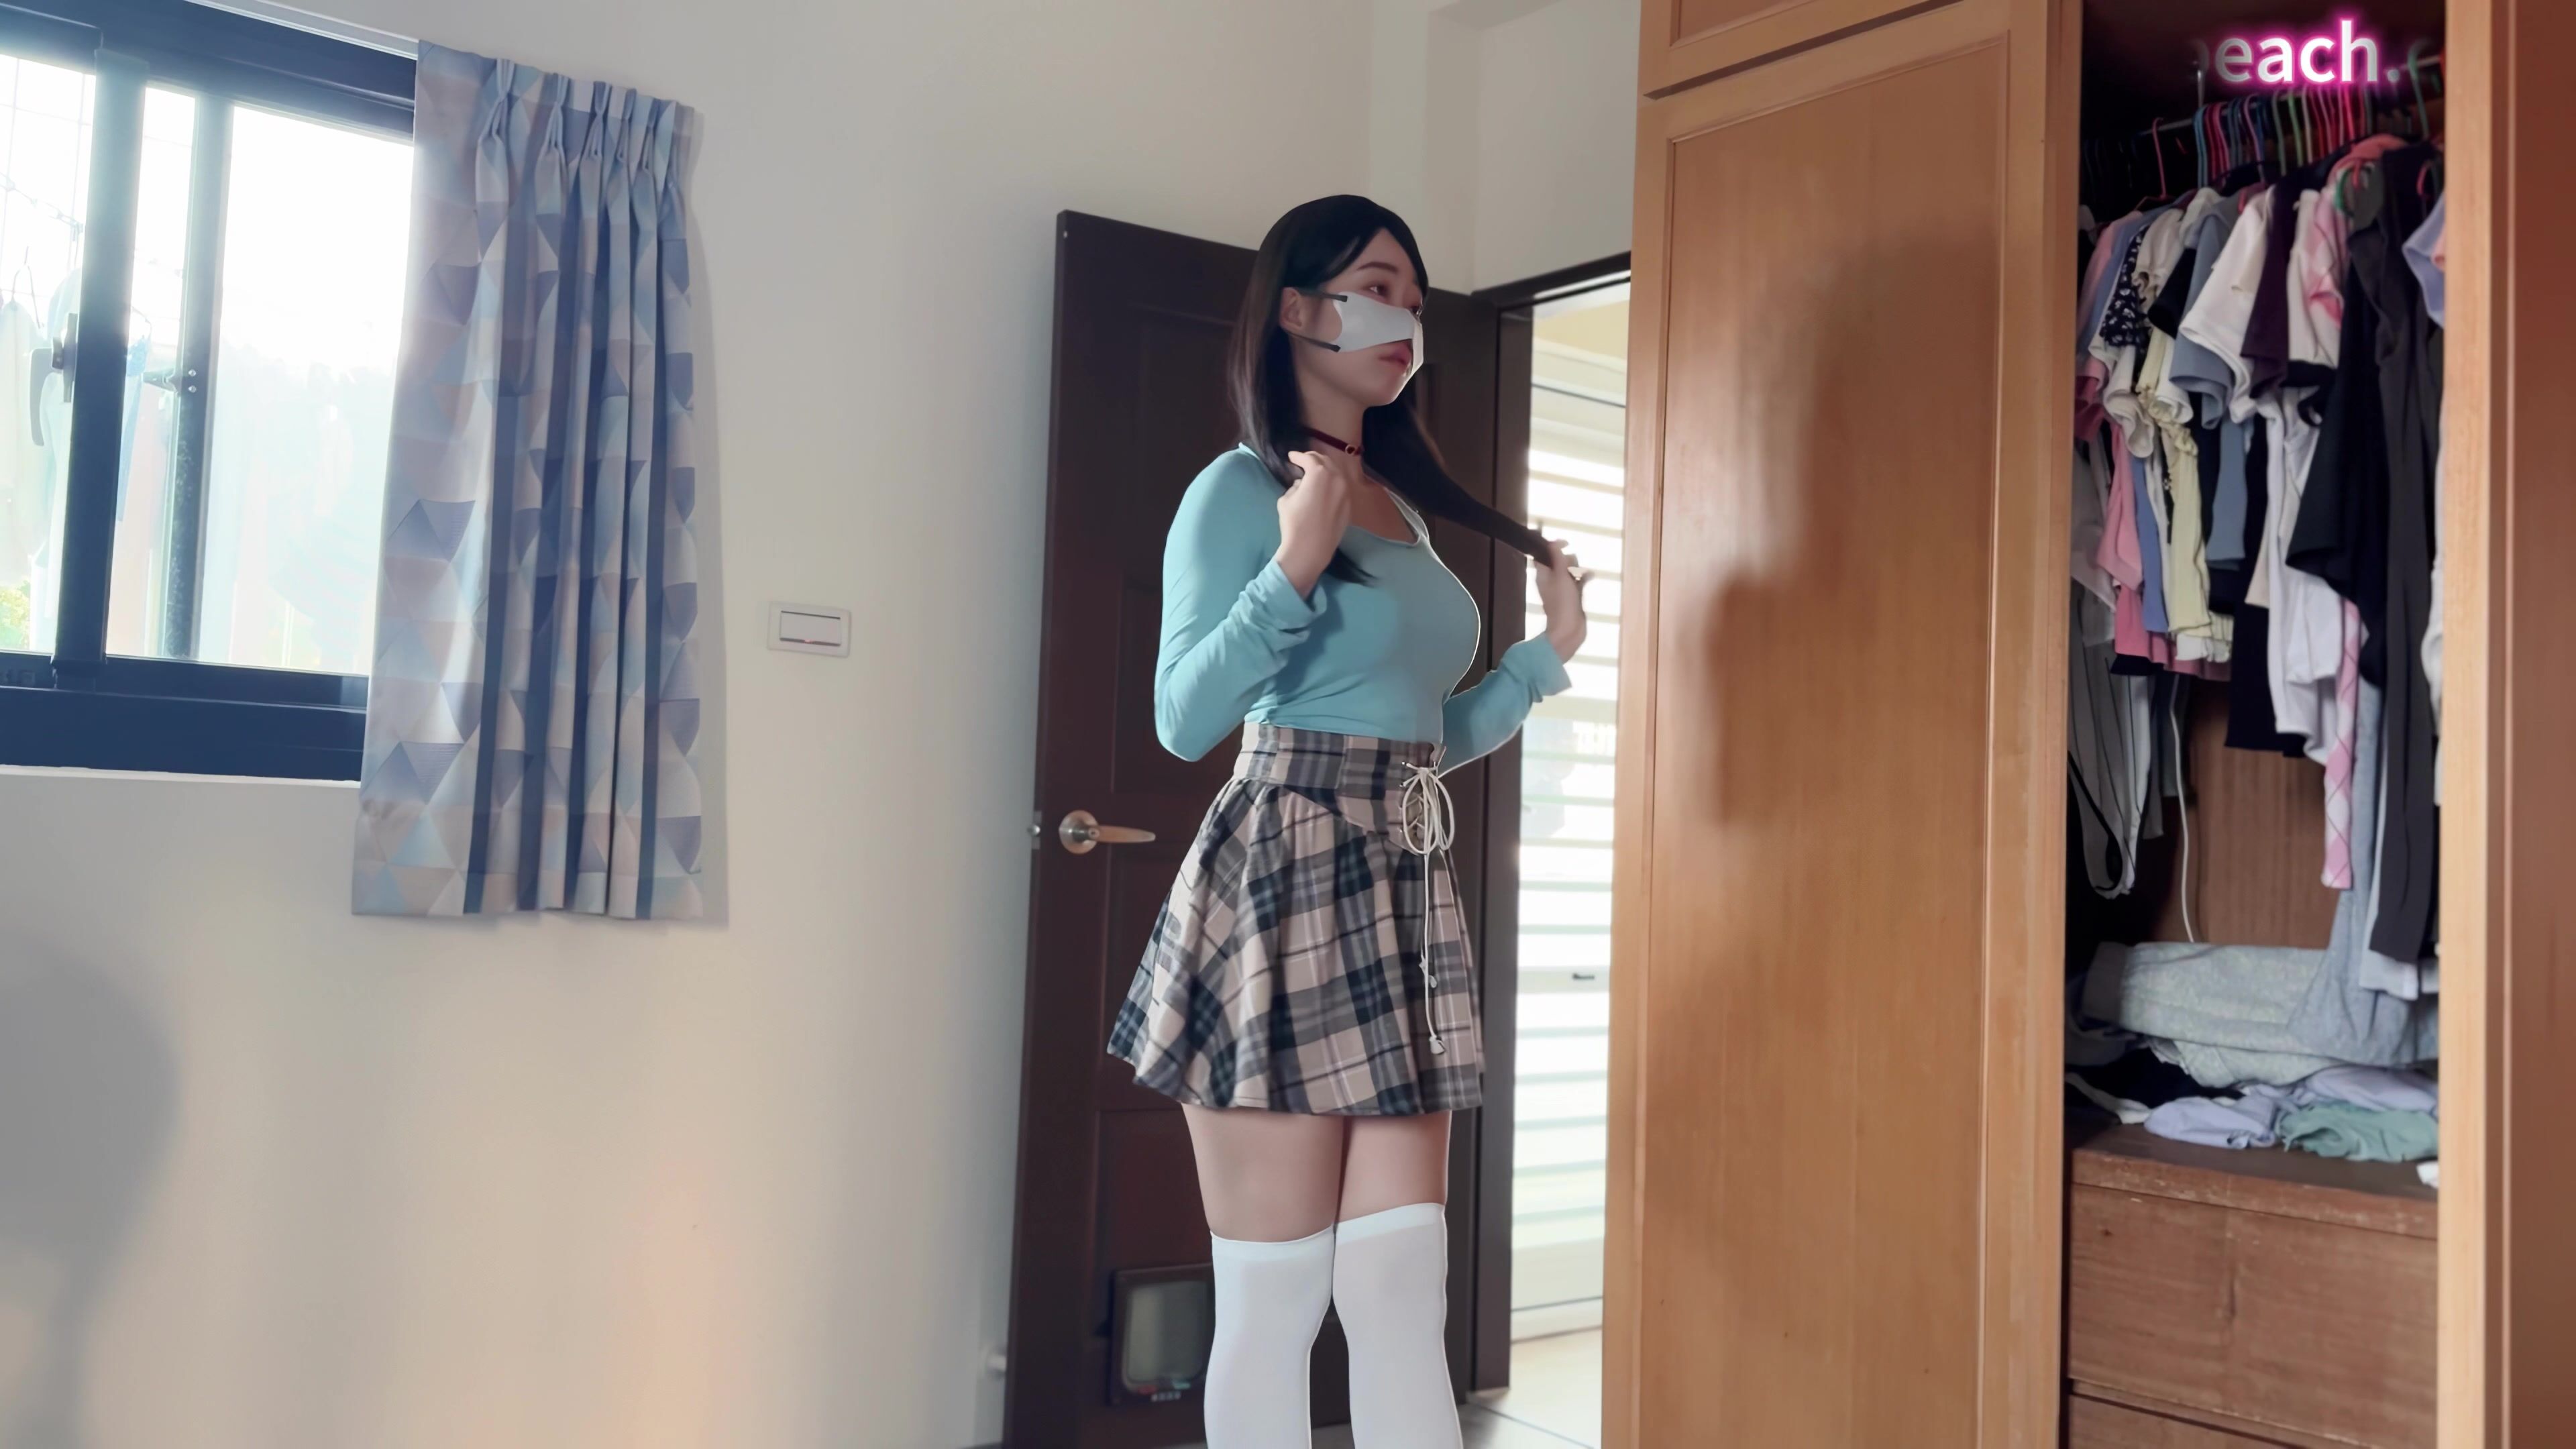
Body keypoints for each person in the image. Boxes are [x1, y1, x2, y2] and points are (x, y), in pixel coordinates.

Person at [1106, 195, 1589, 1448]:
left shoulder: (1405, 509)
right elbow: (1183, 719)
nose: (1404, 323)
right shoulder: (1239, 489)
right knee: (1275, 1302)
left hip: (1402, 877)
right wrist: (1293, 565)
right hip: (1281, 876)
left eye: (1416, 303)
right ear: (1297, 309)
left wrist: (1543, 661)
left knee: (1399, 1292)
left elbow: (1421, 737)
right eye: (1378, 290)